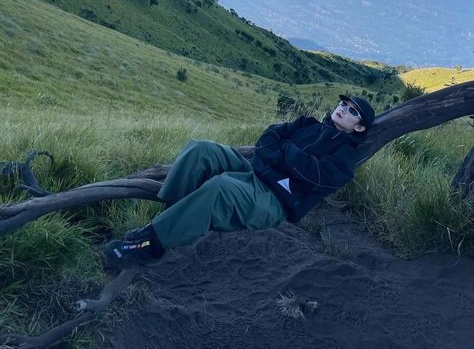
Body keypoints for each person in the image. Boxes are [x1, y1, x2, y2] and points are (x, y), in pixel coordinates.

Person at [105, 94, 375, 269]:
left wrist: (284, 153)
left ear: (359, 127)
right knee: (200, 149)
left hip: (273, 201)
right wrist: (288, 157)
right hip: (251, 171)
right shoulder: (308, 123)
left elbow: (312, 174)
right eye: (343, 104)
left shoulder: (344, 159)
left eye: (352, 111)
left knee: (220, 188)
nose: (343, 110)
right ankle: (168, 221)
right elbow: (268, 138)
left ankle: (149, 246)